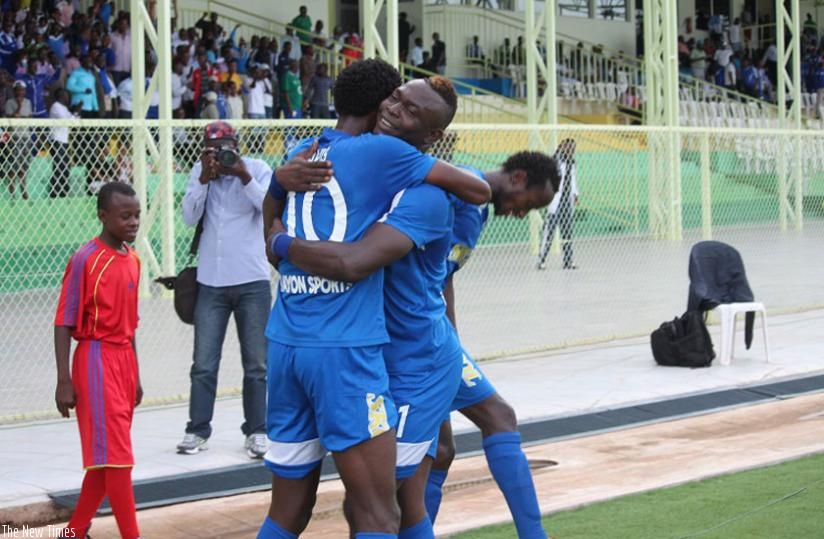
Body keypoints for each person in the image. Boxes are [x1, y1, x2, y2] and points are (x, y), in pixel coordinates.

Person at [257, 60, 489, 539]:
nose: (396, 109)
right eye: (396, 99)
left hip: (286, 343)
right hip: (351, 354)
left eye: (407, 107)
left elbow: (273, 217)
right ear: (380, 100)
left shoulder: (303, 150)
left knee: (287, 514)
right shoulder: (386, 157)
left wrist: (276, 232)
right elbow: (353, 264)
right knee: (385, 513)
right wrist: (280, 243)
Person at [424, 154, 560, 539]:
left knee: (441, 452)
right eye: (528, 204)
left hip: (431, 334)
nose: (521, 214)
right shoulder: (459, 190)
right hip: (410, 333)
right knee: (496, 418)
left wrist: (452, 340)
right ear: (517, 178)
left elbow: (443, 275)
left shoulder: (477, 207)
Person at [177, 121, 272, 459]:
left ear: (238, 144)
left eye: (227, 146)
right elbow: (189, 217)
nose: (221, 154)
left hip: (252, 282)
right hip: (211, 283)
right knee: (203, 363)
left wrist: (243, 174)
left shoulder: (258, 169)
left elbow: (267, 206)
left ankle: (257, 432)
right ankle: (197, 430)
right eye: (214, 148)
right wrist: (204, 178)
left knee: (257, 364)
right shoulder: (201, 174)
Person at [54, 182, 143, 539]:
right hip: (95, 359)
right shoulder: (85, 259)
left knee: (107, 458)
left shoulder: (133, 259)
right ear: (103, 216)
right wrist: (63, 379)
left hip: (124, 362)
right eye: (125, 216)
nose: (133, 222)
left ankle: (74, 533)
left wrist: (136, 374)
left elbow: (132, 325)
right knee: (118, 458)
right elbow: (63, 319)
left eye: (137, 214)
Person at [537, 138, 579, 270]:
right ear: (562, 147)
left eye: (573, 148)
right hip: (556, 199)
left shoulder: (572, 162)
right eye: (568, 147)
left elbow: (573, 179)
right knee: (549, 231)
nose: (571, 150)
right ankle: (541, 260)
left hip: (567, 199)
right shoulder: (554, 160)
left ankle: (568, 261)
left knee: (567, 232)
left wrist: (576, 194)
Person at [49, 88, 81, 198]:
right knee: (59, 167)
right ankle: (55, 193)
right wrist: (75, 112)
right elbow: (67, 121)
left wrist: (75, 113)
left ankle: (63, 193)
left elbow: (75, 123)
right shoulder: (56, 106)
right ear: (61, 96)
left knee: (65, 167)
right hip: (57, 139)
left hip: (64, 140)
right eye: (66, 95)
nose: (68, 97)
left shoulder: (64, 108)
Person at [3, 80, 33, 200]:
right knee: (13, 167)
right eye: (18, 89)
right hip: (14, 138)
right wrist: (19, 106)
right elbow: (12, 118)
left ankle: (23, 191)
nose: (21, 91)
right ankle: (12, 194)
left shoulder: (28, 102)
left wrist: (21, 116)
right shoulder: (9, 102)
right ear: (14, 90)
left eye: (22, 89)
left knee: (23, 167)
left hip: (26, 137)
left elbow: (29, 118)